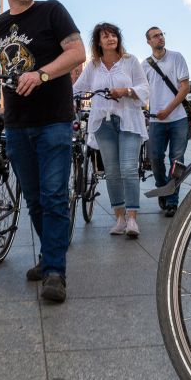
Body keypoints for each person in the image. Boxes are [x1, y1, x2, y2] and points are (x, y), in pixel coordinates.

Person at [0, 0, 85, 303]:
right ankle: (50, 255)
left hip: (54, 119)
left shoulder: (52, 11)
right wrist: (3, 106)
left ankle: (55, 271)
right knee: (33, 200)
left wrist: (42, 74)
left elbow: (77, 52)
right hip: (18, 124)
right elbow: (7, 70)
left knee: (55, 196)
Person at [73, 23, 149, 237]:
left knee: (128, 168)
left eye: (114, 35)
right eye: (105, 36)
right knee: (112, 172)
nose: (110, 39)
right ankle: (119, 217)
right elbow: (77, 89)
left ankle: (132, 218)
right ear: (98, 41)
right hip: (102, 123)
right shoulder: (94, 65)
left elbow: (145, 87)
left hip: (128, 120)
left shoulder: (130, 61)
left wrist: (126, 90)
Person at [142, 26, 191, 218]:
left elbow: (185, 87)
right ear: (148, 42)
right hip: (156, 121)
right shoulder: (144, 65)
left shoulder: (176, 57)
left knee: (176, 160)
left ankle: (172, 201)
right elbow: (140, 91)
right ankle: (162, 187)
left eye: (162, 34)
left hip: (178, 118)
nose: (160, 38)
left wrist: (168, 110)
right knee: (155, 158)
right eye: (155, 36)